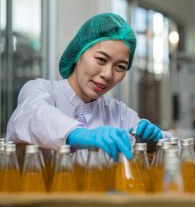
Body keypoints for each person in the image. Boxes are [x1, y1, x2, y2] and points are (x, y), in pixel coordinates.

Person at [6, 13, 171, 161]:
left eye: (120, 67)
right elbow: (33, 116)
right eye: (101, 59)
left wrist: (151, 145)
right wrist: (77, 134)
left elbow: (174, 146)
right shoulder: (42, 91)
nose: (108, 74)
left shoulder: (117, 113)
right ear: (78, 53)